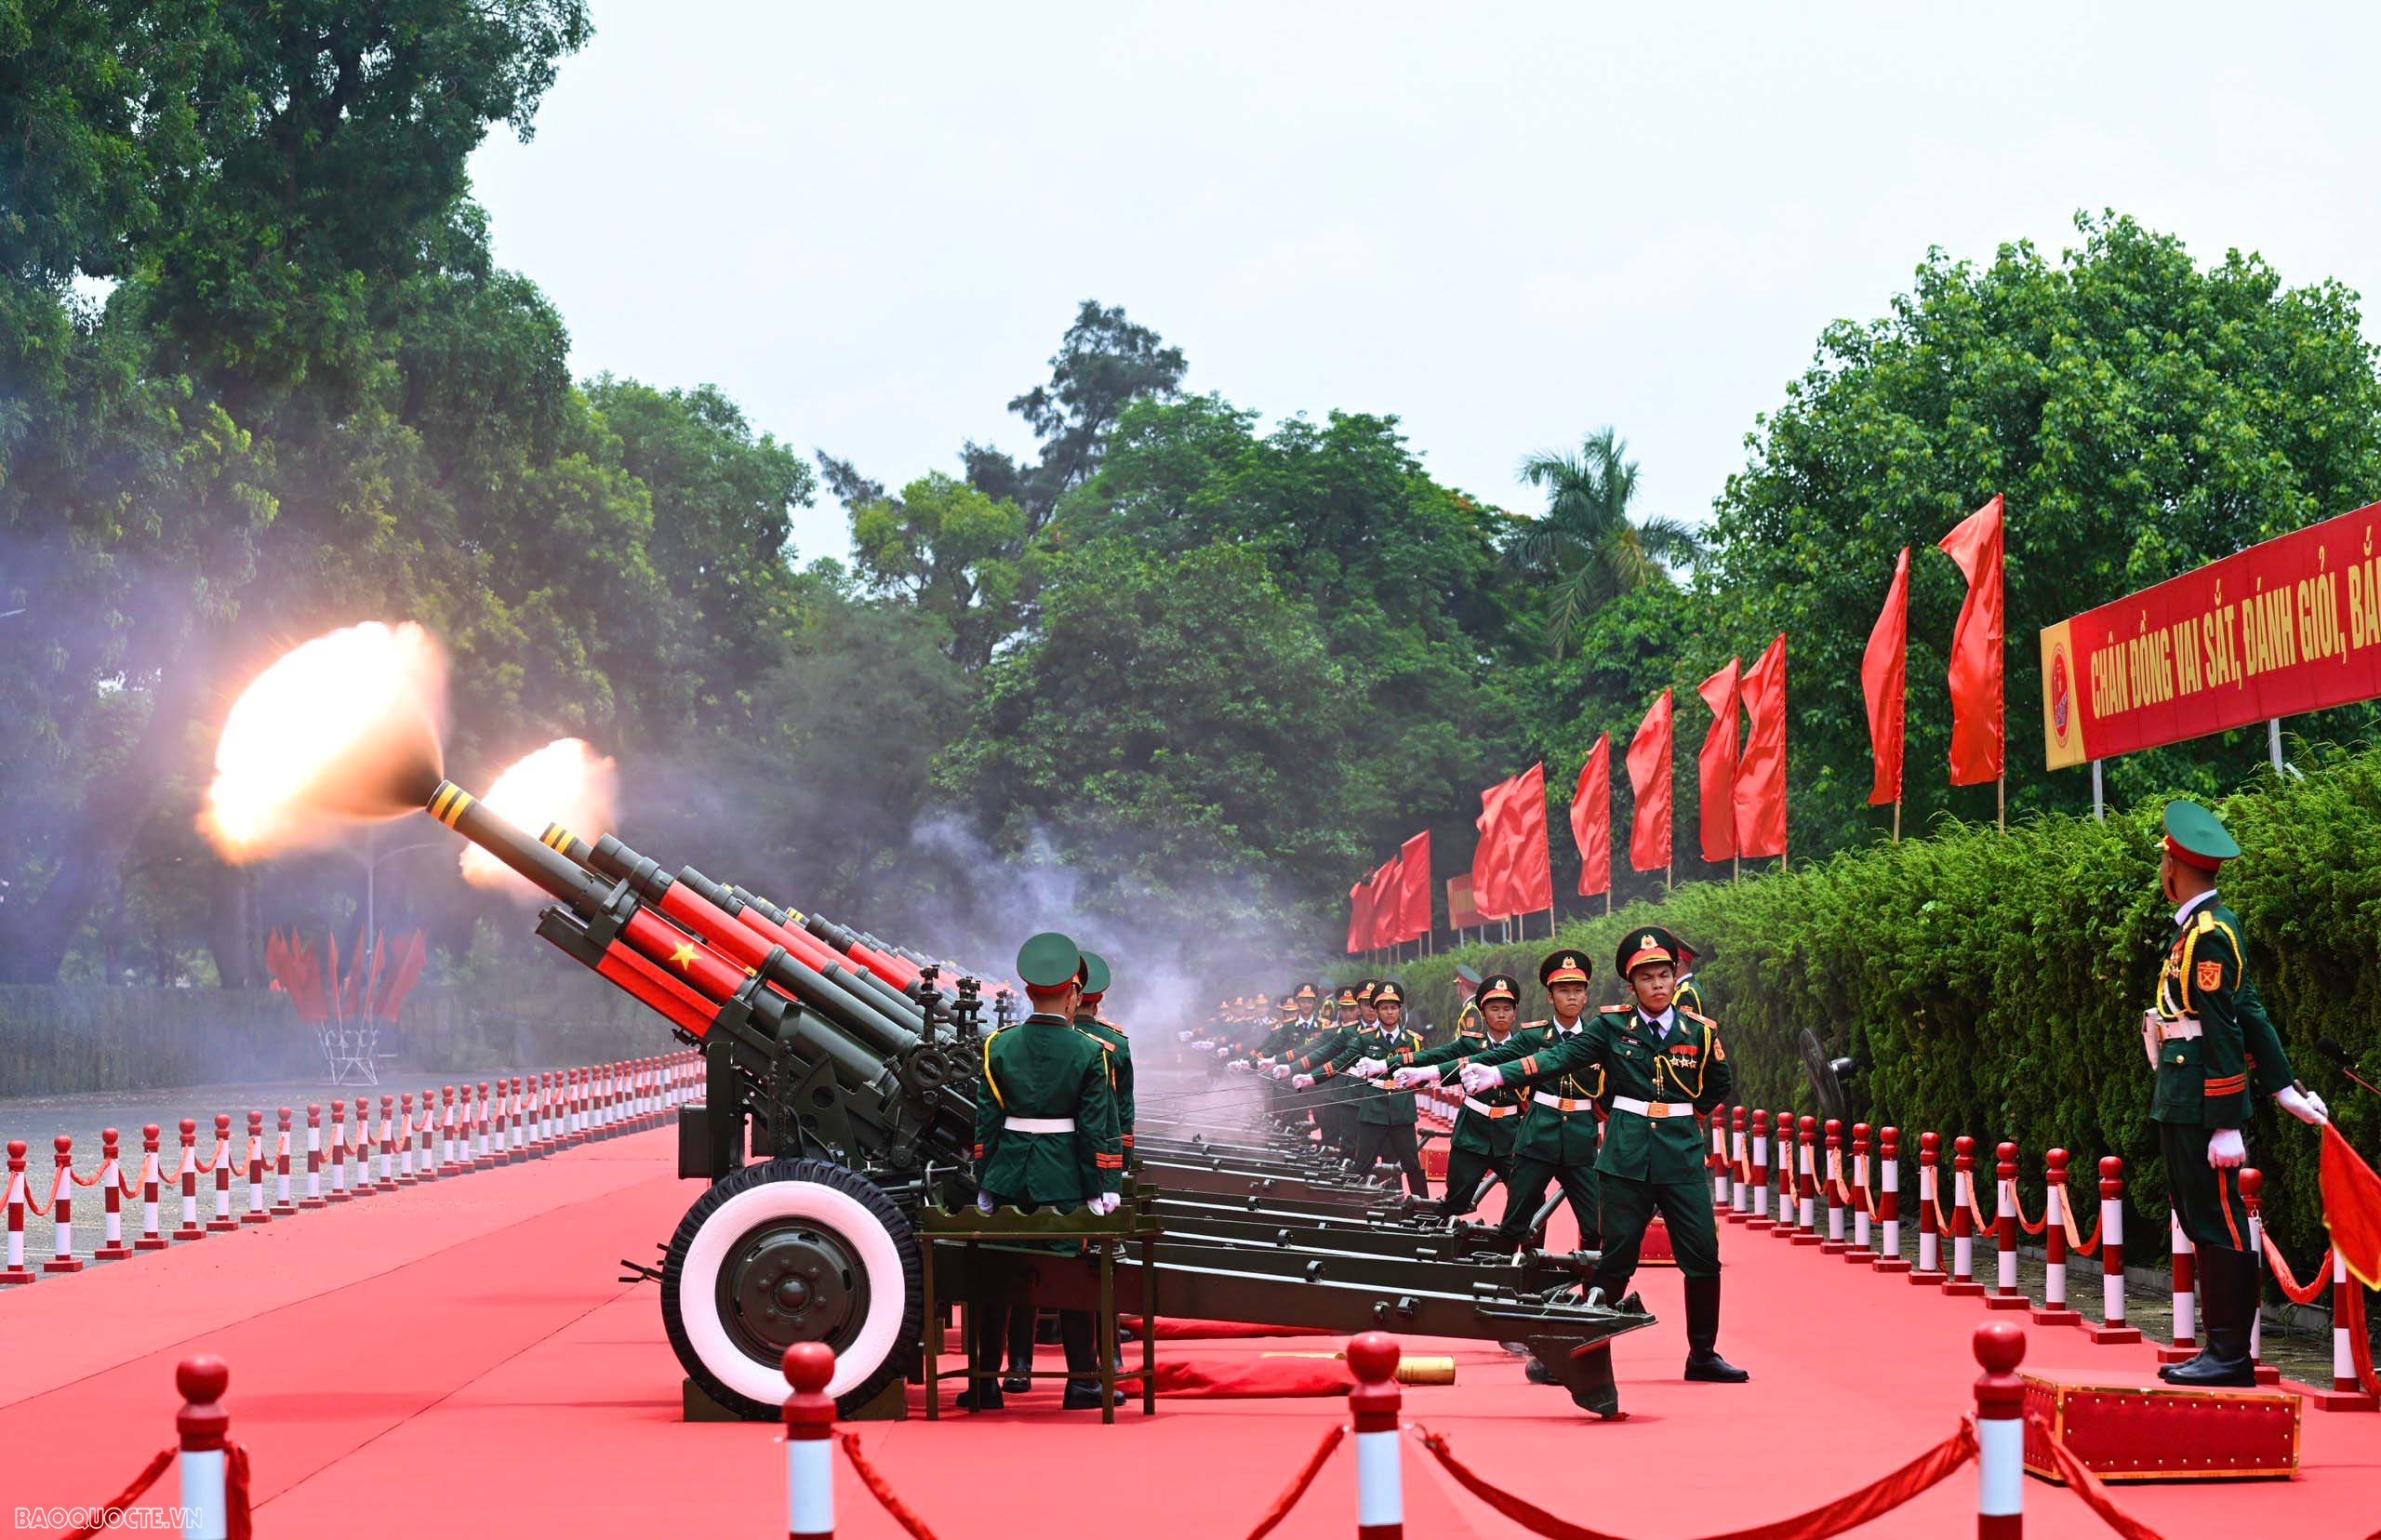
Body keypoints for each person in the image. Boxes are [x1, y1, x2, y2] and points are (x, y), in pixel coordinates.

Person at [1461, 927, 1748, 1383]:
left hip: (1681, 1158)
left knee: (1702, 1257)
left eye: (1664, 975)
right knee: (1617, 1259)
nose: (1658, 984)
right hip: (1627, 1157)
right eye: (1647, 977)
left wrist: (1686, 1115)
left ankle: (1703, 1355)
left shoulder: (1700, 1031)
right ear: (1631, 986)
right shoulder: (1611, 1028)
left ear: (1675, 979)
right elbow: (1561, 1057)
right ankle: (1576, 1352)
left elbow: (1717, 1084)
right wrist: (1498, 1075)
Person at [2148, 800, 2328, 1387]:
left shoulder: (2210, 935)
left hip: (2203, 1100)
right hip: (2181, 1091)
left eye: (2163, 864)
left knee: (2218, 1221)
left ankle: (2230, 1356)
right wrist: (2284, 1087)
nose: (2161, 874)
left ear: (2175, 867)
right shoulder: (2196, 932)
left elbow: (2228, 1024)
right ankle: (2218, 1348)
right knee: (2198, 1216)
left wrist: (2229, 1120)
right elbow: (2250, 1013)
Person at [965, 931, 1124, 1413]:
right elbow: (1098, 1129)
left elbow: (987, 1121)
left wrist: (985, 1179)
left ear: (1029, 991)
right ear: (1075, 993)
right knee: (1071, 1278)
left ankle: (987, 1383)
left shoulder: (999, 1046)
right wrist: (1104, 1186)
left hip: (1009, 1176)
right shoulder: (1088, 1052)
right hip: (1065, 1182)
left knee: (999, 1280)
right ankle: (1080, 1383)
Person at [1426, 949, 1607, 1255]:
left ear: (1587, 996)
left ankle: (1596, 1289)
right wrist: (1428, 1071)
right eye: (1564, 991)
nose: (1572, 997)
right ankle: (1507, 1277)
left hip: (1580, 1139)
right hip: (1538, 1135)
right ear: (1550, 997)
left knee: (1597, 1225)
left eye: (1578, 991)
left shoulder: (1598, 1035)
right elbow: (1487, 1058)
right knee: (1517, 1218)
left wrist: (1600, 1114)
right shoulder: (1532, 1036)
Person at [1369, 972, 1526, 1215]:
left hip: (1511, 1133)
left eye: (1507, 1008)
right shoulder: (1470, 1044)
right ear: (1483, 1013)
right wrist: (1393, 1065)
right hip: (1472, 1133)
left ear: (1515, 1012)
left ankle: (1512, 1248)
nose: (1502, 1014)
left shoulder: (1526, 1046)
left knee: (1527, 1198)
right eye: (1495, 1008)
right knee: (1455, 1202)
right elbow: (1434, 1055)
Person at [1303, 981, 1429, 1198]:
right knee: (1362, 1163)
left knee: (1411, 1164)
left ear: (1400, 1010)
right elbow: (1340, 1061)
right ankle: (1350, 1203)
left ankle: (1422, 1206)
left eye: (1393, 1007)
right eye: (1384, 1008)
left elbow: (1425, 1073)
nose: (1389, 1012)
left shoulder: (1413, 1041)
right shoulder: (1365, 1039)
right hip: (1373, 1108)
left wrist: (1408, 1084)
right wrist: (1312, 1078)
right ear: (1377, 1011)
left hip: (1402, 1110)